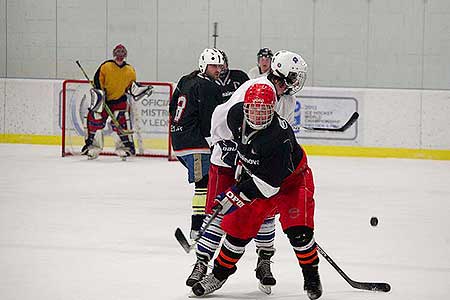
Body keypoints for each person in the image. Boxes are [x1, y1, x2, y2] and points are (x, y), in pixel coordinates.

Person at [186, 50, 309, 294]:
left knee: (264, 210)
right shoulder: (256, 88)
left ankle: (264, 261)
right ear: (282, 74)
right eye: (294, 76)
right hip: (227, 156)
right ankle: (201, 263)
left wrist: (261, 165)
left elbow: (275, 138)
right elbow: (224, 117)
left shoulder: (287, 101)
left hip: (254, 163)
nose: (297, 81)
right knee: (220, 210)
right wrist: (230, 147)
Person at [169, 48, 224, 241]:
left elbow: (172, 107)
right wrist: (213, 141)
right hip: (195, 143)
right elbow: (210, 118)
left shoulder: (186, 79)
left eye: (219, 65)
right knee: (204, 184)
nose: (218, 69)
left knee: (207, 183)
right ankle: (197, 229)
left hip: (179, 141)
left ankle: (203, 225)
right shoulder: (209, 87)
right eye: (213, 65)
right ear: (204, 65)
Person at [81, 44, 137, 159]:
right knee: (95, 120)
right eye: (118, 52)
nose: (120, 55)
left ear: (125, 54)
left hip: (120, 100)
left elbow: (131, 87)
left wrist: (140, 90)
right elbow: (97, 82)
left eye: (122, 52)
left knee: (121, 122)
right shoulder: (106, 66)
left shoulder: (130, 70)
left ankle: (125, 147)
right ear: (114, 53)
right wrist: (101, 97)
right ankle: (92, 147)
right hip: (104, 101)